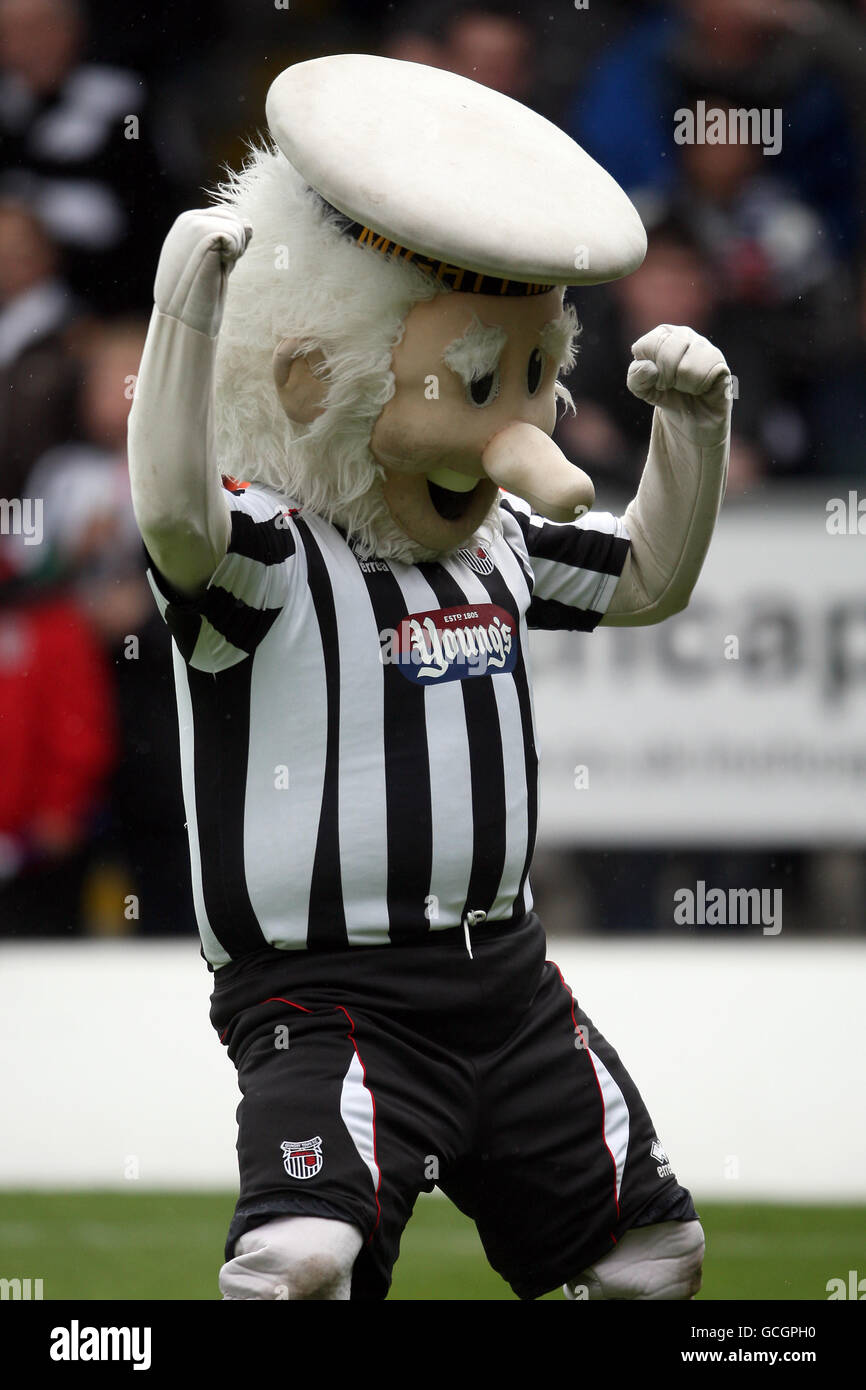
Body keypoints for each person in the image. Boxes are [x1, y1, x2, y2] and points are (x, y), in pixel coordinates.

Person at [128, 54, 731, 1299]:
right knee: (303, 1259)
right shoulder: (272, 554)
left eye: (526, 379)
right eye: (474, 384)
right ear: (317, 372)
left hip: (507, 980)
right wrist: (181, 322)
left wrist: (693, 432)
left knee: (653, 1251)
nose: (518, 429)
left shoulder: (498, 542)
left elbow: (646, 579)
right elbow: (175, 521)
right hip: (329, 998)